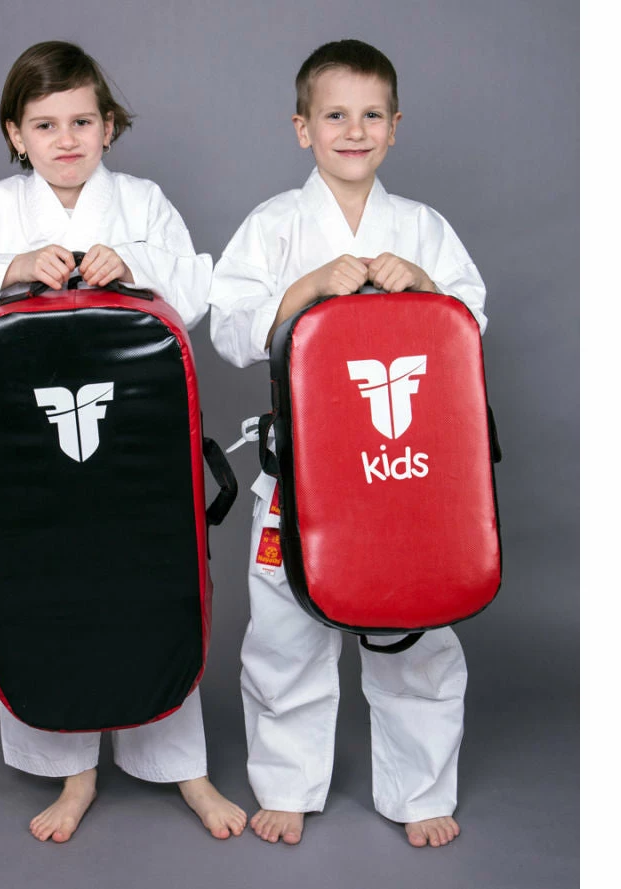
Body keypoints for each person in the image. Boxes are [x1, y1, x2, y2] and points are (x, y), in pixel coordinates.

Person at [0, 40, 246, 844]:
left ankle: (184, 766)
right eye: (45, 124)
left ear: (108, 126)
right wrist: (11, 266)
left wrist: (133, 263)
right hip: (29, 449)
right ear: (16, 134)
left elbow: (199, 287)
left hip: (137, 439)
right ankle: (74, 771)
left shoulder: (141, 203)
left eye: (83, 122)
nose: (66, 139)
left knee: (153, 577)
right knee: (46, 585)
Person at [208, 39, 488, 848]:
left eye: (371, 115)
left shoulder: (423, 228)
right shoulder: (275, 226)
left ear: (395, 127)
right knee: (284, 633)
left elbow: (471, 322)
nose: (354, 131)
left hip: (409, 470)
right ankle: (288, 783)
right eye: (335, 115)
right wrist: (304, 289)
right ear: (303, 128)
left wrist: (425, 286)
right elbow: (228, 326)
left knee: (418, 629)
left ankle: (420, 786)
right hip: (303, 471)